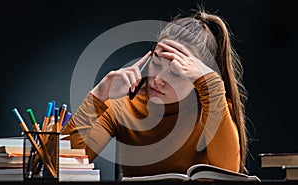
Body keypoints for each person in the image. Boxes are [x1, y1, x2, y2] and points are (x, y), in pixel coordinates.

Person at [62, 7, 248, 177]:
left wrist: (212, 86)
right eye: (157, 63)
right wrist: (99, 95)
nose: (158, 79)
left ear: (197, 76)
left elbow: (228, 174)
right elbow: (63, 166)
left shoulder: (214, 106)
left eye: (176, 72)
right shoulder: (124, 105)